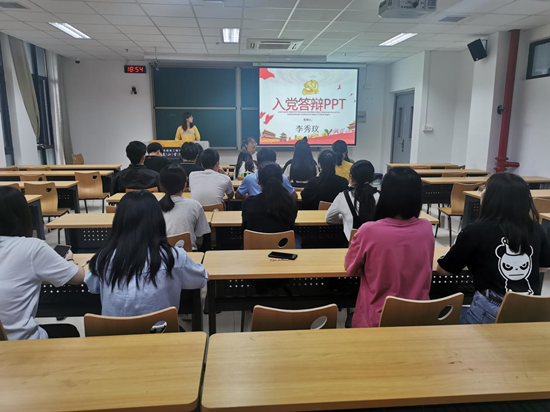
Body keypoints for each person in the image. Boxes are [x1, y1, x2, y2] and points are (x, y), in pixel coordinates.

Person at [437, 173, 550, 324]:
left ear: (491, 198)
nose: (482, 192)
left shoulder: (475, 230)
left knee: (447, 324)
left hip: (492, 308)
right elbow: (542, 268)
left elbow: (443, 270)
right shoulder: (537, 229)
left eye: (485, 189)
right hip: (529, 309)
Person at [85, 191, 208, 317]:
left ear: (118, 221)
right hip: (161, 328)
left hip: (113, 329)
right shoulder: (174, 257)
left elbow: (92, 286)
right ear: (158, 219)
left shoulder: (103, 258)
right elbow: (200, 279)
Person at [345, 167, 434, 328]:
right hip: (418, 320)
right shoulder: (426, 228)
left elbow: (350, 268)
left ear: (384, 194)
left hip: (377, 322)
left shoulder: (368, 231)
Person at [0, 187, 85, 340]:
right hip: (19, 343)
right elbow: (78, 277)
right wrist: (69, 260)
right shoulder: (32, 248)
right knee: (69, 331)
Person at [160, 165, 211, 251]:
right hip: (189, 254)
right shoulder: (195, 205)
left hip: (161, 255)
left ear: (161, 186)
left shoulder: (154, 205)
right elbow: (200, 240)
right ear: (185, 185)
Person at [326, 160, 379, 240]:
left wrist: (345, 217)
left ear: (351, 177)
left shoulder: (343, 196)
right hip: (376, 244)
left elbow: (329, 218)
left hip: (352, 245)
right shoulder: (380, 196)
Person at [242, 162, 298, 233]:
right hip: (282, 240)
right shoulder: (290, 203)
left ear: (258, 181)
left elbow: (244, 228)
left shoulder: (249, 203)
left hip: (254, 240)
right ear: (282, 180)